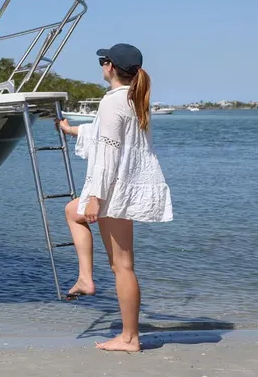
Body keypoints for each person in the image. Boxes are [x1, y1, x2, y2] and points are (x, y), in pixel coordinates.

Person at [56, 43, 172, 352]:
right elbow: (106, 136)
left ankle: (130, 338)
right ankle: (85, 278)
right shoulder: (134, 98)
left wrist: (96, 197)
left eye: (103, 62)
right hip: (124, 187)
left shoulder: (113, 101)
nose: (102, 66)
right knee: (72, 211)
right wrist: (73, 131)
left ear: (110, 67)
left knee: (122, 266)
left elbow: (108, 153)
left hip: (113, 191)